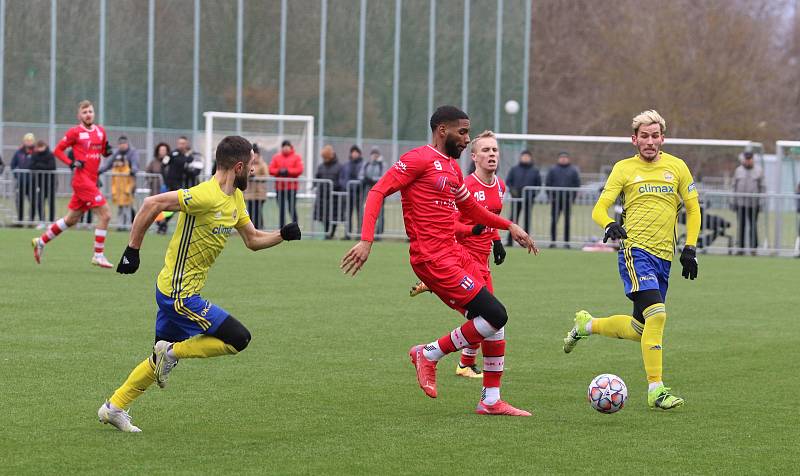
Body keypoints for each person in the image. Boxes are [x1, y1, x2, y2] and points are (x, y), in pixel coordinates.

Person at [341, 106, 538, 416]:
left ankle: (490, 400)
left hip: (455, 253)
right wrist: (367, 240)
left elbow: (471, 210)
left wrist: (509, 226)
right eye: (463, 132)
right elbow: (378, 191)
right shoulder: (417, 159)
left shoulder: (451, 168)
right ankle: (428, 354)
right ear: (442, 130)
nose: (467, 139)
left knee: (493, 322)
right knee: (495, 315)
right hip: (432, 258)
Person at [98, 135, 302, 433]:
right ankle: (173, 352)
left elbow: (253, 240)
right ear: (240, 166)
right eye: (253, 166)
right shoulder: (205, 194)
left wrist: (282, 234)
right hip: (179, 294)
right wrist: (133, 250)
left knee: (157, 357)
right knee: (238, 339)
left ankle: (113, 407)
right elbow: (152, 203)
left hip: (177, 290)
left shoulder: (235, 198)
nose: (256, 171)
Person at [562, 110, 701, 410]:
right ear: (634, 139)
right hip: (635, 252)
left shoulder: (677, 167)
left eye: (655, 136)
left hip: (665, 256)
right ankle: (656, 389)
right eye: (644, 136)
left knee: (640, 329)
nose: (650, 142)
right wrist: (608, 224)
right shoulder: (624, 169)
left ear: (662, 138)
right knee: (658, 315)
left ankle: (587, 325)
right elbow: (599, 209)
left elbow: (693, 208)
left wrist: (690, 248)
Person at [413, 130, 509, 382]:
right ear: (474, 156)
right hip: (463, 257)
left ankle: (469, 369)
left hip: (483, 257)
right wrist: (471, 229)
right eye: (486, 150)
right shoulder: (465, 185)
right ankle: (462, 365)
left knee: (490, 318)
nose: (491, 155)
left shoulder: (500, 186)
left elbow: (491, 217)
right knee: (491, 317)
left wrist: (497, 241)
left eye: (495, 150)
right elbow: (449, 224)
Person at [31, 100, 115, 268]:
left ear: (94, 113)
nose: (88, 114)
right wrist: (71, 163)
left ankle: (41, 241)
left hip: (91, 180)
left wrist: (108, 151)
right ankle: (98, 255)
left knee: (71, 219)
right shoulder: (75, 132)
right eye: (84, 112)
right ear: (79, 115)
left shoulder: (101, 131)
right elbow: (57, 150)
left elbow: (103, 151)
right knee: (106, 215)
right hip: (81, 180)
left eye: (90, 111)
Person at [505, 150, 541, 246]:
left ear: (530, 158)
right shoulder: (514, 169)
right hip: (516, 199)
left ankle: (527, 241)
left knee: (527, 220)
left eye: (527, 156)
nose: (525, 158)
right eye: (524, 156)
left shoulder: (535, 170)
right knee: (513, 219)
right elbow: (508, 182)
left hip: (529, 199)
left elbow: (538, 185)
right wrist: (513, 191)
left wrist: (532, 194)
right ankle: (509, 240)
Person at [545, 151, 581, 248]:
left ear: (568, 159)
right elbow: (548, 183)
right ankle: (552, 242)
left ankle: (567, 242)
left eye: (565, 157)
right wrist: (551, 197)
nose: (563, 159)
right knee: (554, 221)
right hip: (555, 201)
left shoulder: (573, 170)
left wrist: (572, 198)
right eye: (561, 157)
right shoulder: (553, 170)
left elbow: (577, 184)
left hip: (567, 201)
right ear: (558, 158)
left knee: (567, 222)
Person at [732, 151, 764, 255]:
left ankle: (754, 249)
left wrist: (761, 202)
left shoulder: (759, 171)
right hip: (741, 203)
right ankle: (740, 248)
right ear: (744, 159)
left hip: (754, 204)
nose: (748, 161)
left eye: (750, 159)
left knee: (753, 226)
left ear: (752, 159)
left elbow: (763, 187)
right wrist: (733, 201)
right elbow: (734, 186)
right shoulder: (738, 170)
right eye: (746, 159)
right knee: (741, 226)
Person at [269, 140, 304, 227]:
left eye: (287, 146)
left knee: (292, 208)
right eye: (284, 146)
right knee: (281, 210)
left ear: (290, 147)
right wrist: (279, 171)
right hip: (280, 188)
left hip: (291, 188)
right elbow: (271, 169)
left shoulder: (296, 157)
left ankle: (295, 227)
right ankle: (282, 228)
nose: (285, 148)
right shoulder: (276, 157)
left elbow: (299, 170)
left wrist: (288, 171)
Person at [314, 144, 343, 239]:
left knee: (333, 216)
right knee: (323, 217)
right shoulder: (321, 167)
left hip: (333, 196)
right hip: (322, 196)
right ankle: (328, 234)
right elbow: (317, 178)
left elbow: (341, 181)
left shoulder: (339, 167)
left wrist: (336, 187)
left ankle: (330, 234)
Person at [340, 145, 365, 239]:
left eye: (356, 152)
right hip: (348, 193)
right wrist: (345, 186)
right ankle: (348, 234)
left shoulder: (363, 165)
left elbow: (363, 178)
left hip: (359, 193)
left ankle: (360, 234)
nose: (354, 154)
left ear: (359, 153)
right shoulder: (346, 165)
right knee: (348, 214)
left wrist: (357, 185)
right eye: (353, 152)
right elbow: (342, 178)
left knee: (360, 215)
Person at [30, 140, 57, 224]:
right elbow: (31, 166)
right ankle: (42, 221)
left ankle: (52, 222)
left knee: (51, 203)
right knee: (40, 203)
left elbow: (52, 167)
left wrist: (39, 165)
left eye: (42, 146)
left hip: (50, 183)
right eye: (39, 147)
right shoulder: (34, 155)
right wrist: (41, 166)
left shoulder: (50, 154)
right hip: (39, 183)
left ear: (45, 146)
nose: (40, 149)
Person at [360, 147, 385, 236]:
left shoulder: (382, 165)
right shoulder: (366, 164)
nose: (374, 156)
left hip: (379, 191)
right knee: (366, 211)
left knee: (380, 212)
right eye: (373, 154)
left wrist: (373, 180)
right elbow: (361, 175)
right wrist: (366, 179)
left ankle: (379, 233)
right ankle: (365, 232)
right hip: (368, 190)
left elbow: (384, 176)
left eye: (376, 154)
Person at [11, 133, 36, 222]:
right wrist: (17, 175)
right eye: (27, 140)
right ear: (24, 141)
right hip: (21, 182)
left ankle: (31, 220)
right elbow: (13, 165)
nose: (28, 142)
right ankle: (20, 220)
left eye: (30, 141)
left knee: (33, 201)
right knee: (19, 201)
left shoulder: (36, 152)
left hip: (32, 182)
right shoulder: (18, 152)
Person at [244, 143, 269, 229]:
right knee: (250, 212)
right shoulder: (248, 164)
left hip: (259, 193)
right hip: (250, 193)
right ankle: (252, 229)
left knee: (258, 212)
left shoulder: (263, 164)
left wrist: (256, 177)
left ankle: (260, 228)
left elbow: (266, 176)